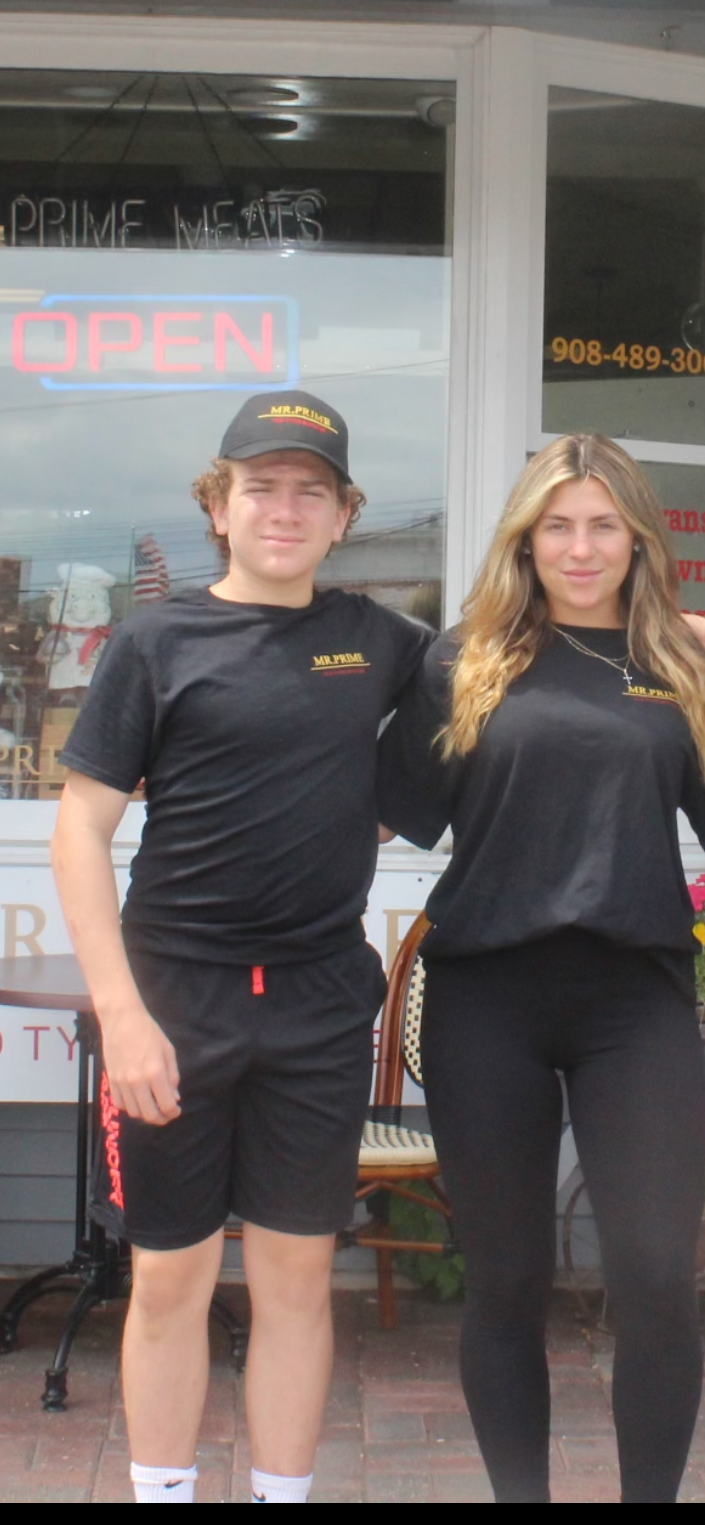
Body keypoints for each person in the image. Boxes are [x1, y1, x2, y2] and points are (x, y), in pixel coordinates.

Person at [377, 433, 705, 1505]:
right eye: (556, 524)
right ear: (525, 537)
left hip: (634, 999)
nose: (579, 545)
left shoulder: (684, 666)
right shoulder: (460, 660)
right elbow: (387, 807)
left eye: (602, 523)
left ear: (638, 536)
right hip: (487, 997)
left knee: (659, 1277)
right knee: (508, 1281)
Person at [50, 391, 432, 1505]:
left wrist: (675, 638)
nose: (284, 506)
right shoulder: (155, 640)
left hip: (316, 1004)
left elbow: (511, 669)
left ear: (345, 513)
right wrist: (121, 1012)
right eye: (260, 485)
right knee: (168, 1279)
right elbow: (79, 830)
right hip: (174, 1001)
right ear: (218, 505)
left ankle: (280, 1492)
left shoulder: (378, 639)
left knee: (297, 1277)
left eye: (311, 489)